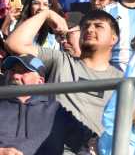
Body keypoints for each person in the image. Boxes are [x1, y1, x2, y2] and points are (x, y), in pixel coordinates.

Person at [6, 9, 122, 153]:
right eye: (86, 26)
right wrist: (46, 14)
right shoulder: (61, 60)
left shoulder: (121, 80)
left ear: (113, 39)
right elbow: (14, 43)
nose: (90, 29)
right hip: (50, 148)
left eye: (98, 26)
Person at [0, 54, 62, 154]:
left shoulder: (56, 111)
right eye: (12, 71)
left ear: (40, 81)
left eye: (22, 72)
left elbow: (86, 146)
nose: (15, 76)